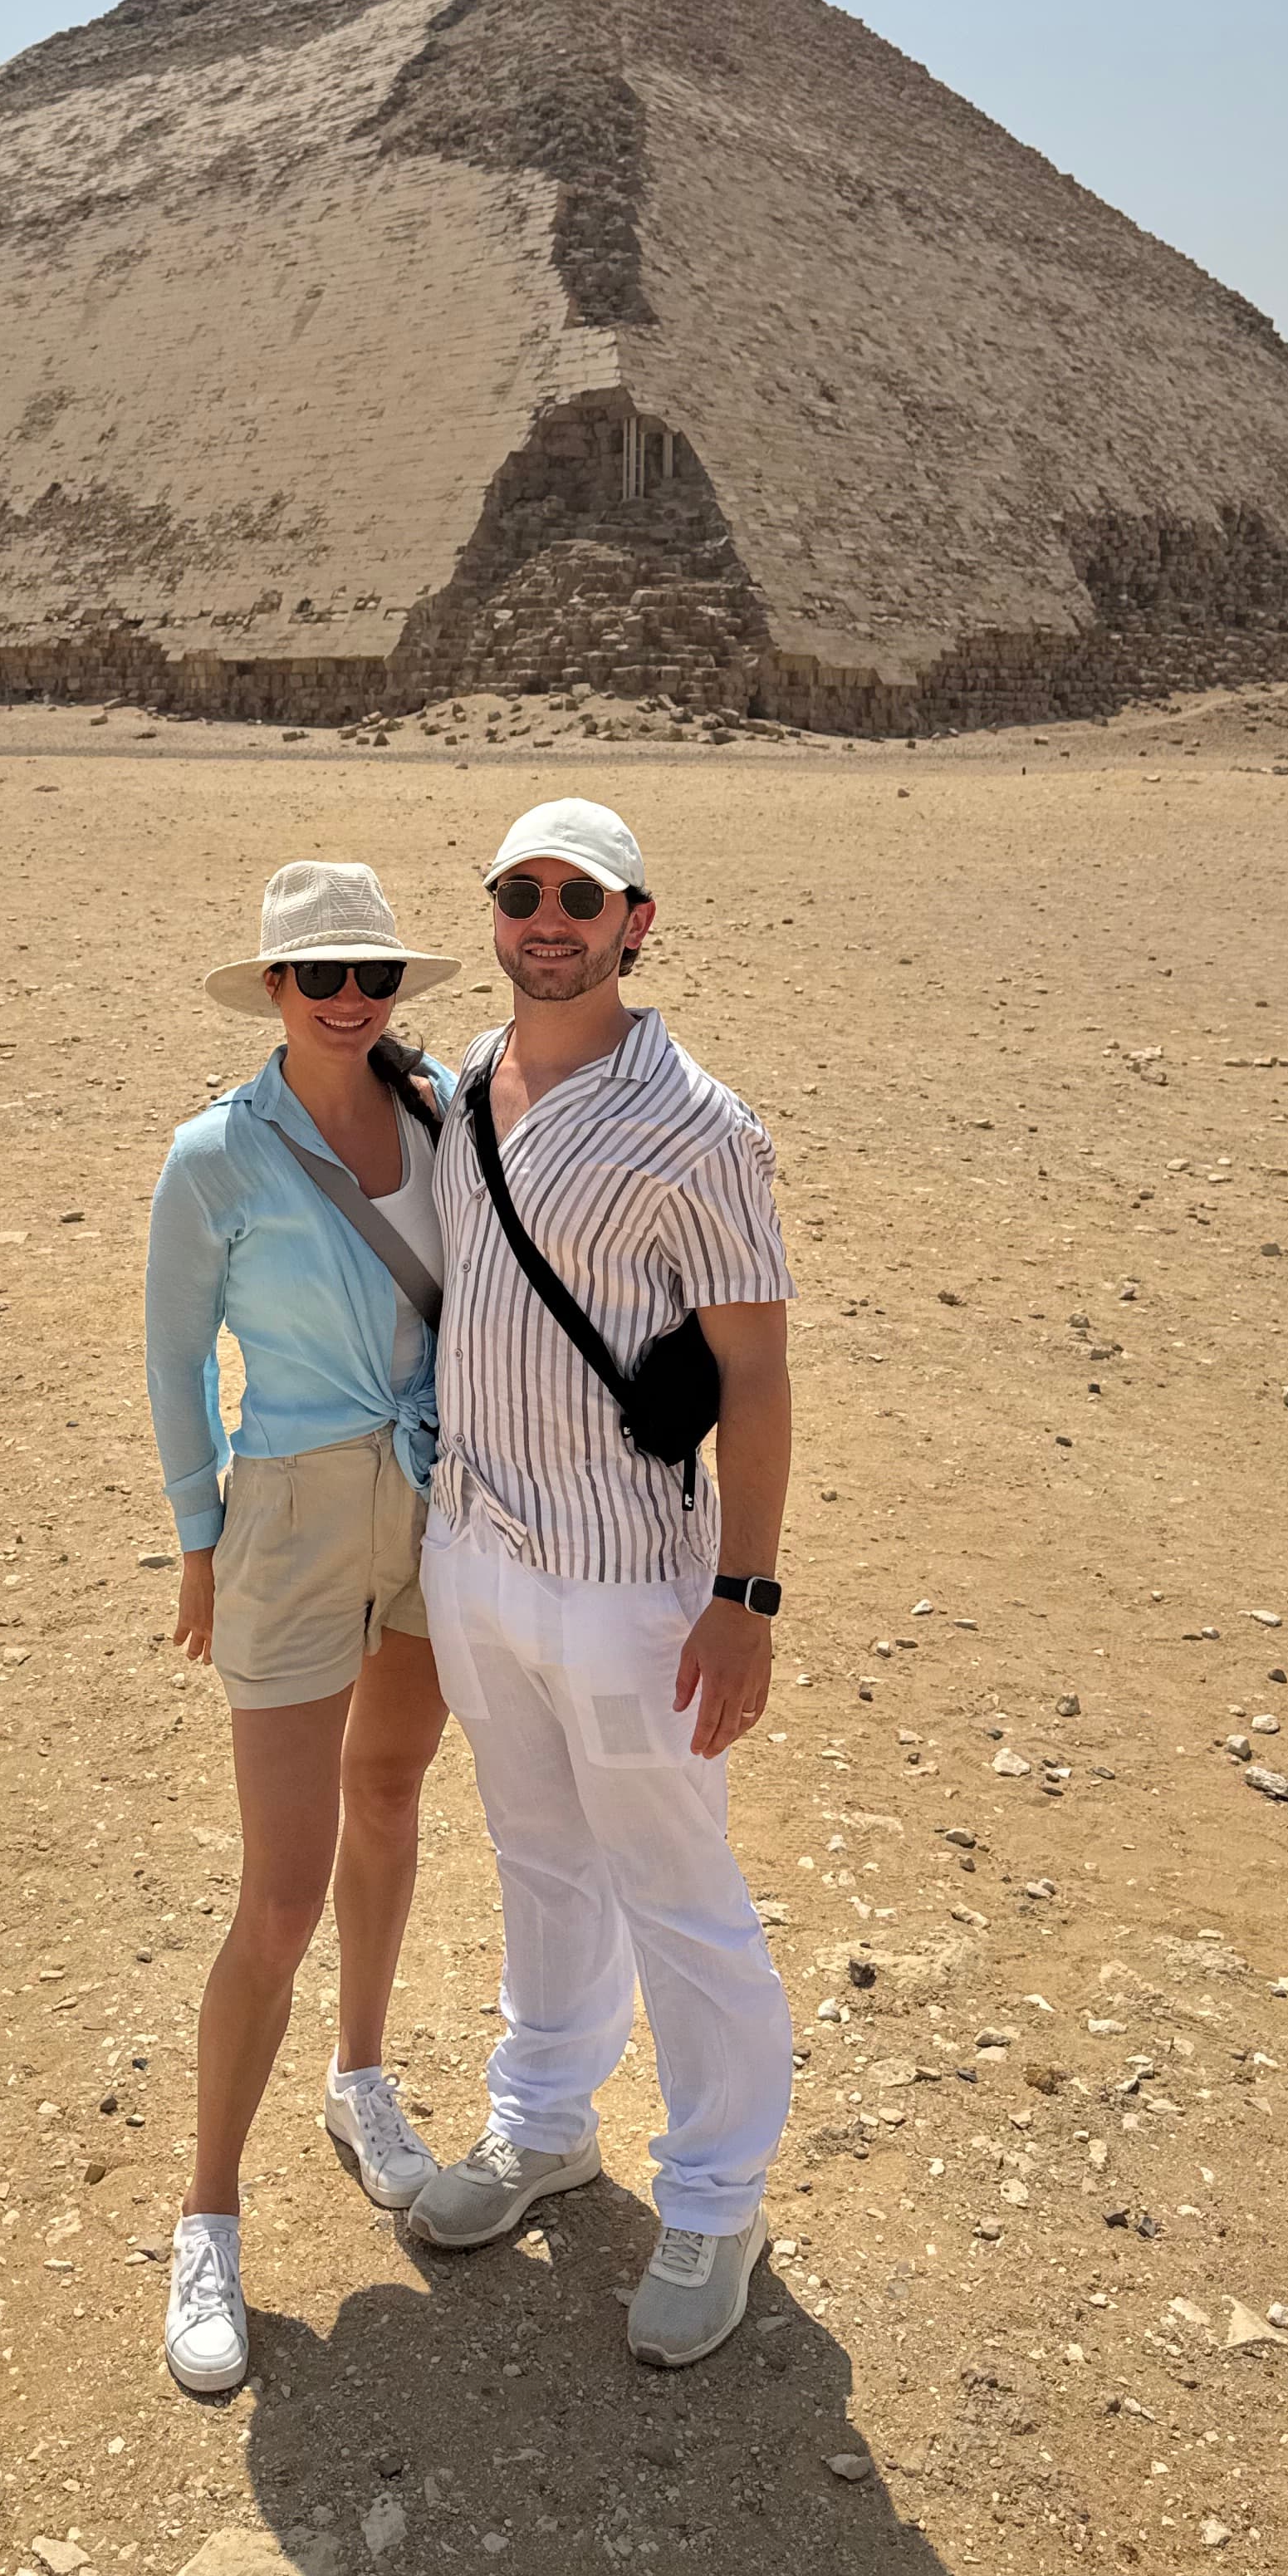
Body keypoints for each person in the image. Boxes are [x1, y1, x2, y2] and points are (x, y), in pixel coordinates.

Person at [407, 797, 797, 2370]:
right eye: (521, 893)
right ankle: (545, 2120)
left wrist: (747, 1595)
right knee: (537, 1854)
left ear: (641, 922)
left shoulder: (704, 1126)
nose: (547, 919)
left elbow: (755, 1373)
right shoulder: (458, 1097)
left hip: (632, 1577)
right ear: (494, 915)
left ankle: (715, 2196)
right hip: (478, 1551)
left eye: (582, 895)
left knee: (679, 1890)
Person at [144, 861, 464, 2398]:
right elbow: (171, 1360)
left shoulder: (449, 1117)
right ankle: (208, 2214)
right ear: (273, 989)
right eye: (318, 975)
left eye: (372, 973)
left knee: (391, 1797)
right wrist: (200, 1542)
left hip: (430, 1501)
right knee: (276, 1898)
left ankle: (363, 2080)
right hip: (286, 1514)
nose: (349, 1000)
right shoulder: (217, 1153)